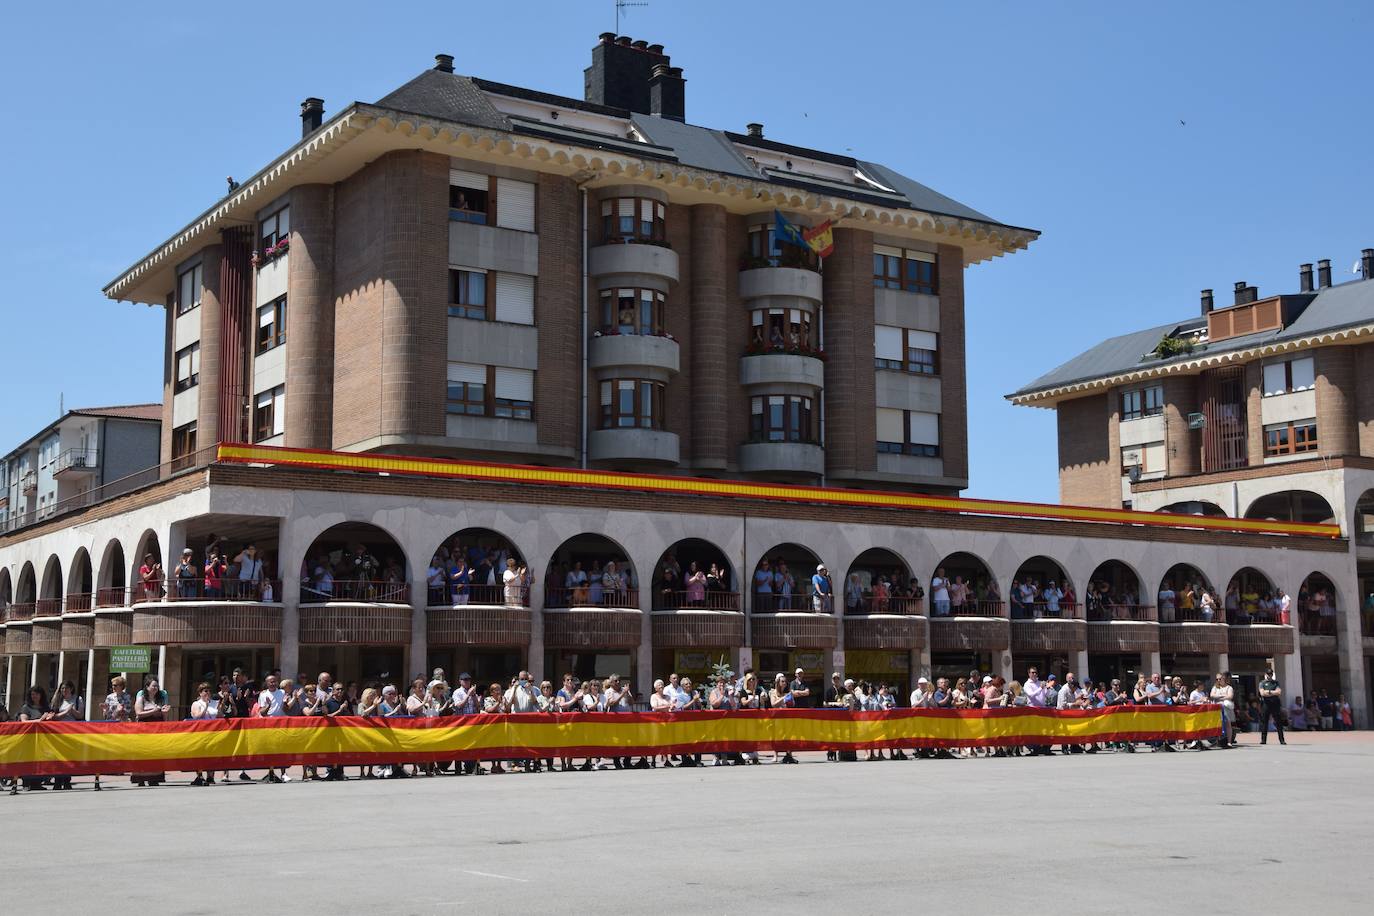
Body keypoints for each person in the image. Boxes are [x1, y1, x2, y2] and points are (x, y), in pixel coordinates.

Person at [132, 676, 172, 786]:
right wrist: (153, 710)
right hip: (144, 730)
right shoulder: (141, 698)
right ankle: (141, 778)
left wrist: (164, 712)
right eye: (153, 686)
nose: (155, 688)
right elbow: (138, 713)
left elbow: (164, 716)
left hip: (157, 729)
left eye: (157, 686)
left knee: (156, 753)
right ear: (147, 687)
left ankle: (154, 778)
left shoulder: (161, 698)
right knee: (143, 753)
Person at [17, 686, 55, 790]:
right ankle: (26, 783)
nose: (35, 696)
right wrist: (39, 720)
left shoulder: (45, 707)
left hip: (42, 740)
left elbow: (51, 719)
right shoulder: (26, 707)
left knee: (40, 760)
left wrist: (50, 717)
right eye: (32, 694)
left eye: (37, 694)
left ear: (41, 695)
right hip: (29, 739)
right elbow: (24, 721)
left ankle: (37, 783)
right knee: (28, 760)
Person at [188, 682, 219, 786]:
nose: (208, 693)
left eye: (209, 691)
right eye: (205, 691)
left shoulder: (215, 703)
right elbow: (196, 716)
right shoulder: (196, 704)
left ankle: (210, 776)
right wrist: (205, 706)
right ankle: (200, 775)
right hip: (200, 733)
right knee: (200, 754)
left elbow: (219, 715)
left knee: (212, 754)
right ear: (200, 693)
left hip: (213, 732)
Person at [1258, 668, 1286, 745]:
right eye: (1268, 674)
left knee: (1278, 722)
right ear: (1266, 674)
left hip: (1275, 703)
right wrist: (1273, 692)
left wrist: (1269, 692)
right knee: (1264, 722)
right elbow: (1262, 693)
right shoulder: (1262, 683)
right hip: (1266, 703)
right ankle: (1263, 740)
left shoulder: (1276, 683)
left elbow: (1279, 692)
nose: (1269, 675)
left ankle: (1281, 740)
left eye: (1271, 674)